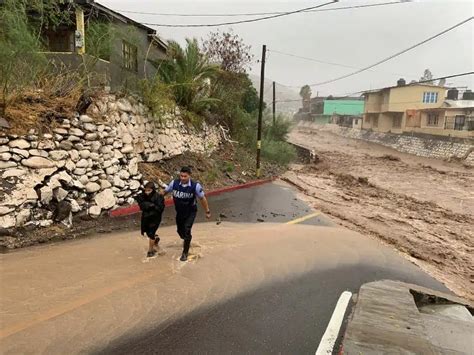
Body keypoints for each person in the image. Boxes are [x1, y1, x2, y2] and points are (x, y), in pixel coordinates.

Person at [162, 166, 211, 261]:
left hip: (191, 212)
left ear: (189, 176)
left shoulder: (195, 186)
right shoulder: (174, 183)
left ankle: (185, 252)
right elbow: (165, 192)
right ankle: (186, 238)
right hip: (179, 212)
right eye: (181, 176)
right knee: (180, 232)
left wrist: (207, 211)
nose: (182, 178)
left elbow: (202, 198)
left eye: (185, 176)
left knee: (187, 229)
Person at [135, 181, 165, 258]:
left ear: (153, 190)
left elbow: (161, 208)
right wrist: (148, 205)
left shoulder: (158, 197)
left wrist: (152, 206)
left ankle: (150, 251)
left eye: (149, 190)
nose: (147, 192)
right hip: (145, 217)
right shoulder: (142, 196)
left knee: (151, 233)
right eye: (146, 190)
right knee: (147, 233)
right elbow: (141, 205)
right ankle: (156, 239)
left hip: (155, 218)